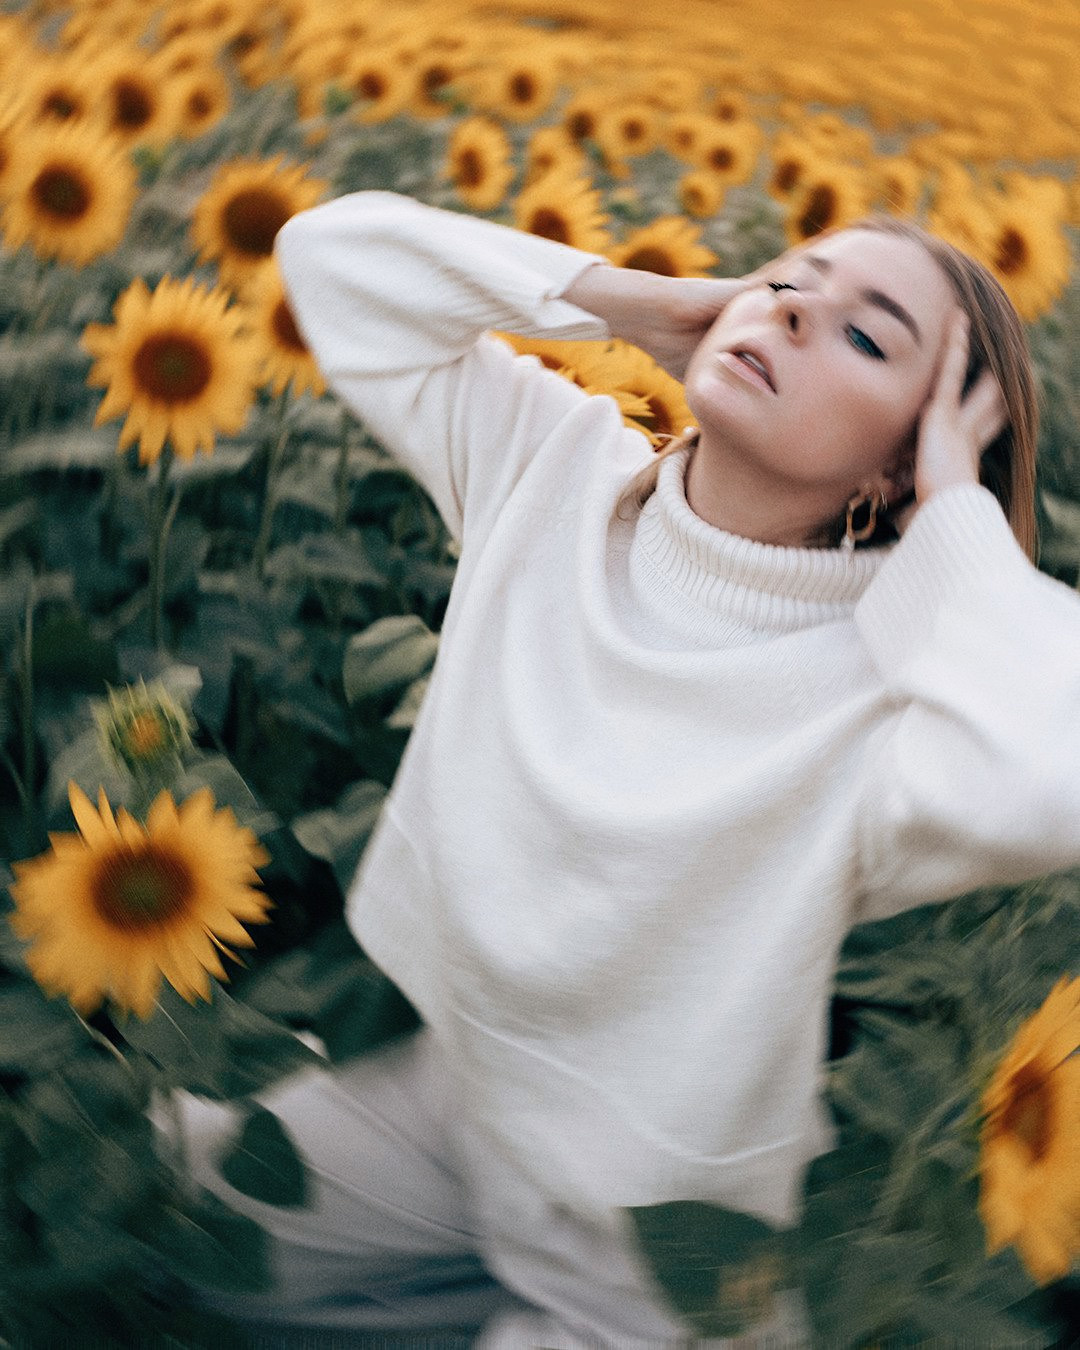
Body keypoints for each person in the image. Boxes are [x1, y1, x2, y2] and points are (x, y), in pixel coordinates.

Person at [173, 190, 1080, 1348]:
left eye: (867, 334)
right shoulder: (548, 470)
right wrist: (626, 300)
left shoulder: (885, 698)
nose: (796, 314)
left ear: (900, 470)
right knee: (157, 1217)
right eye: (790, 278)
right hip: (451, 1090)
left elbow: (1059, 766)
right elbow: (326, 257)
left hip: (654, 1230)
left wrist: (957, 515)